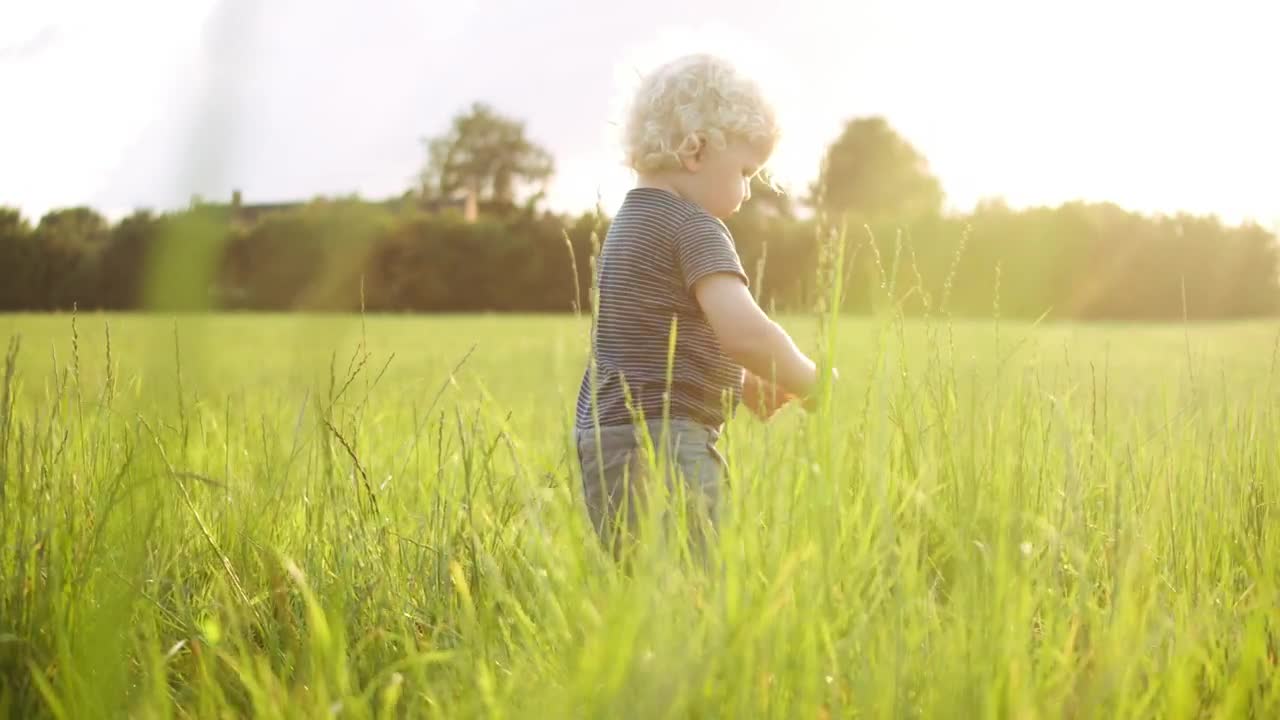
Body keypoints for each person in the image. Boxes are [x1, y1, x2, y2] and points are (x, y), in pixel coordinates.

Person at [574, 53, 831, 562]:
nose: (747, 189)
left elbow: (655, 344)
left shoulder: (629, 224)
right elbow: (746, 334)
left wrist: (740, 383)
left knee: (646, 583)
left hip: (602, 440)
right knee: (702, 577)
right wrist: (810, 379)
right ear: (696, 150)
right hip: (668, 438)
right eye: (745, 170)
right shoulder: (694, 226)